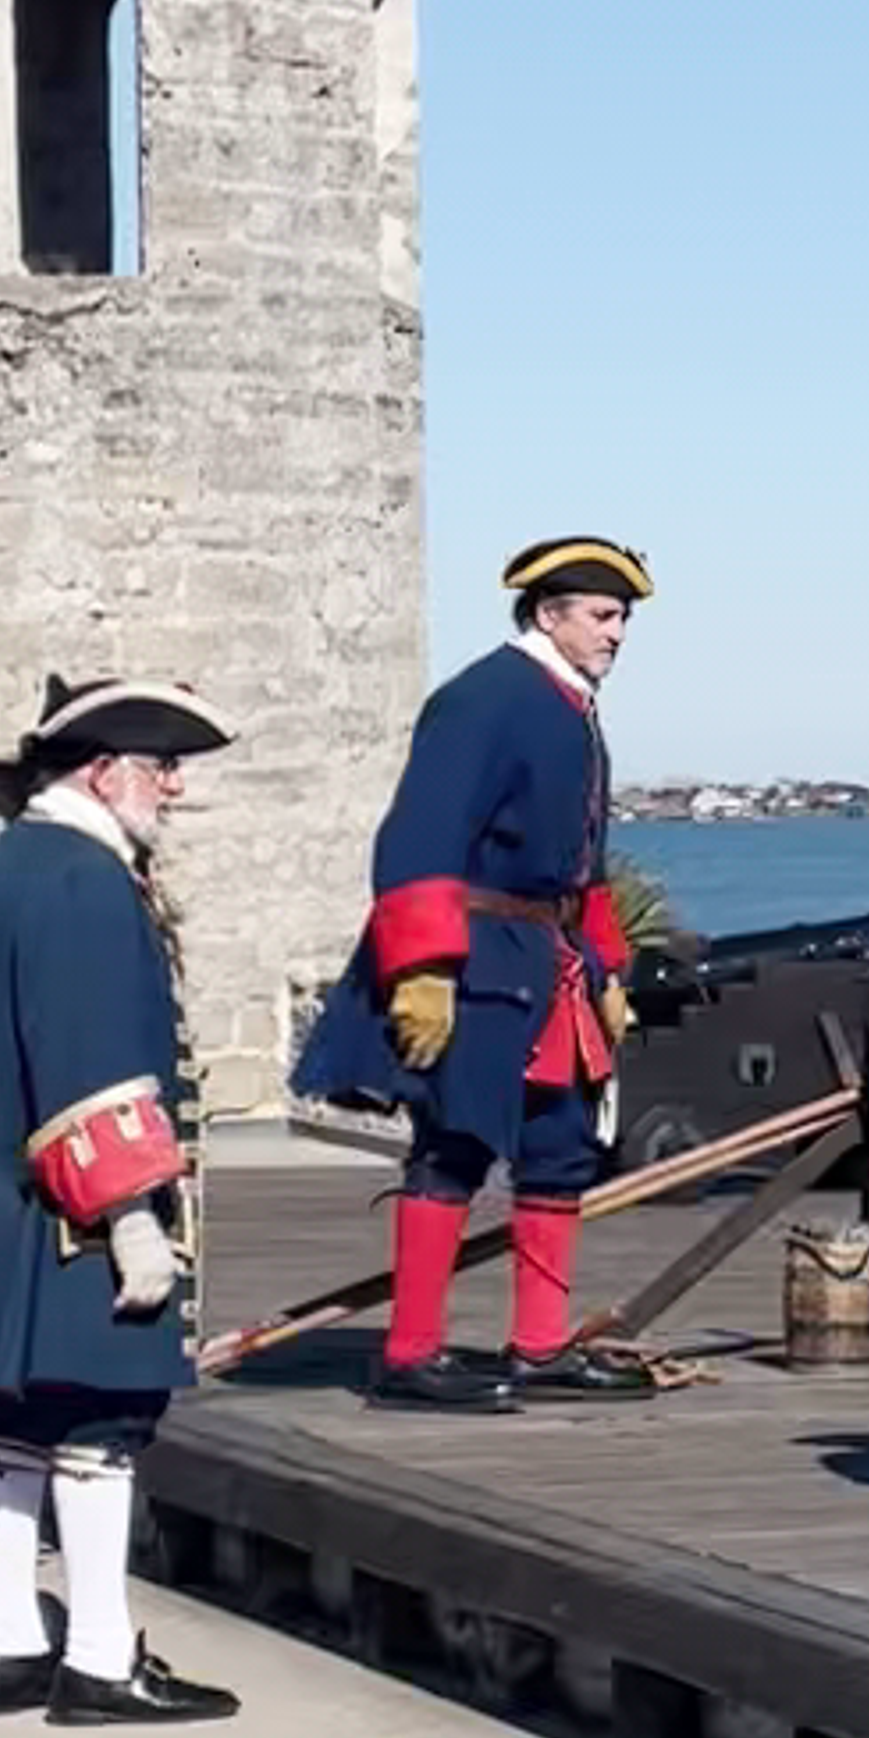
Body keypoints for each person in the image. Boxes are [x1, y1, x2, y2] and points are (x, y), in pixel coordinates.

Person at [0, 678, 239, 1725]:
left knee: (21, 1419)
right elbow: (92, 1059)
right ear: (104, 769)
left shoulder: (13, 858)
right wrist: (133, 1216)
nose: (176, 789)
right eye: (161, 767)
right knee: (104, 1419)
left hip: (14, 1190)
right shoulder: (84, 877)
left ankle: (6, 1643)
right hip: (82, 1205)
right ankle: (100, 1656)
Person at [295, 535, 655, 1412]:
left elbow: (583, 863)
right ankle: (410, 1352)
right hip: (480, 956)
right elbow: (420, 838)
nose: (618, 635)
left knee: (561, 1147)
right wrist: (420, 971)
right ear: (548, 613)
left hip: (551, 958)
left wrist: (606, 963)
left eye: (623, 619)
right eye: (603, 616)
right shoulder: (482, 699)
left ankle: (538, 1345)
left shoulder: (572, 705)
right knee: (454, 1145)